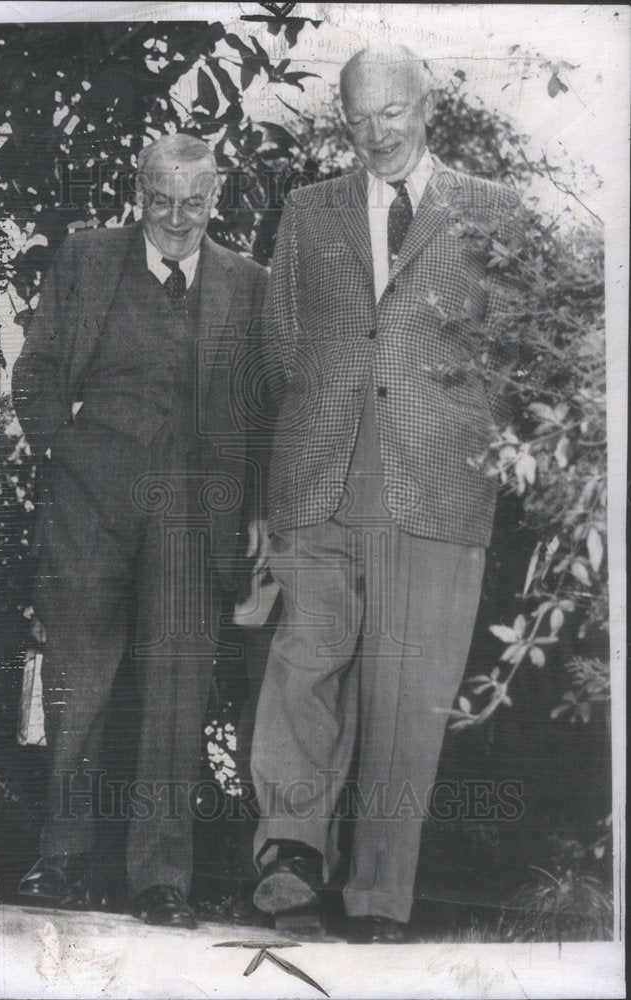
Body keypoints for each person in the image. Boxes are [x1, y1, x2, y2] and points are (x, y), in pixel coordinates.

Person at [249, 46, 523, 942]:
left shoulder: (492, 210)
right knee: (305, 656)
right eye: (358, 117)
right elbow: (280, 344)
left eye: (392, 113)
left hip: (438, 482)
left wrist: (478, 435)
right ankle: (289, 852)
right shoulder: (306, 210)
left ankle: (376, 899)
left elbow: (520, 351)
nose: (376, 134)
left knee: (411, 694)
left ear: (424, 107)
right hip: (319, 473)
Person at [12, 134, 268, 928]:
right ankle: (59, 861)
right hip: (93, 493)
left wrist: (257, 506)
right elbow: (40, 365)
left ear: (216, 198)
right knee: (77, 679)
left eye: (195, 202)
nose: (178, 219)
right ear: (139, 191)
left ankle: (161, 879)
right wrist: (64, 445)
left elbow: (261, 405)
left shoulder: (246, 282)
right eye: (162, 200)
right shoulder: (89, 257)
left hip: (196, 508)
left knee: (177, 690)